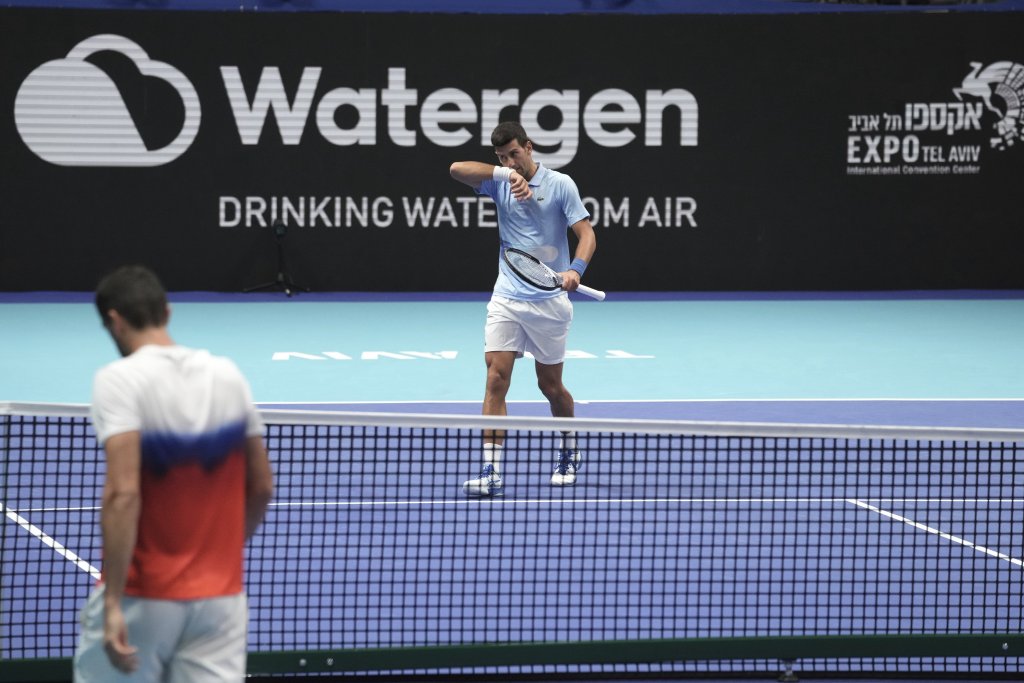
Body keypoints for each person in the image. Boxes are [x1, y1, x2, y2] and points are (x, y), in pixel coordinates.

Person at [74, 265, 273, 683]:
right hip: (221, 601)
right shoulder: (228, 375)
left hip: (143, 596)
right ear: (167, 312)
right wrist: (220, 553)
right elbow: (261, 487)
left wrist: (112, 602)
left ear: (114, 320)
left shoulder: (118, 380)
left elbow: (123, 495)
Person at [450, 121, 597, 497]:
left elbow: (586, 234)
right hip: (507, 297)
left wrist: (575, 269)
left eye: (514, 154)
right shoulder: (499, 181)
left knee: (550, 386)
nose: (510, 162)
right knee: (496, 378)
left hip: (549, 302)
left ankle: (569, 449)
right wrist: (504, 173)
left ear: (529, 147)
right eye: (501, 157)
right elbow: (456, 170)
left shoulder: (560, 184)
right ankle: (491, 470)